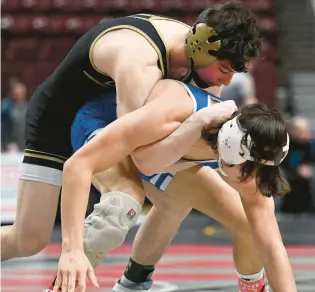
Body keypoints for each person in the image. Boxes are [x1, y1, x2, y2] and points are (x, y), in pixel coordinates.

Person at [1, 0, 260, 264]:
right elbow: (136, 151)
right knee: (31, 237)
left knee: (175, 202)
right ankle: (71, 273)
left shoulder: (199, 58)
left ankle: (132, 281)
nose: (227, 82)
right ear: (201, 47)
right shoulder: (139, 62)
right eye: (225, 69)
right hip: (60, 118)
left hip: (113, 118)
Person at [51, 81, 296, 292]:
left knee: (244, 222)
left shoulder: (240, 150)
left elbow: (273, 246)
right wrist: (71, 250)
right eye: (250, 169)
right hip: (103, 124)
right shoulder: (180, 116)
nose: (251, 180)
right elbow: (86, 165)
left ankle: (132, 284)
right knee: (119, 209)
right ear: (231, 149)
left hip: (156, 150)